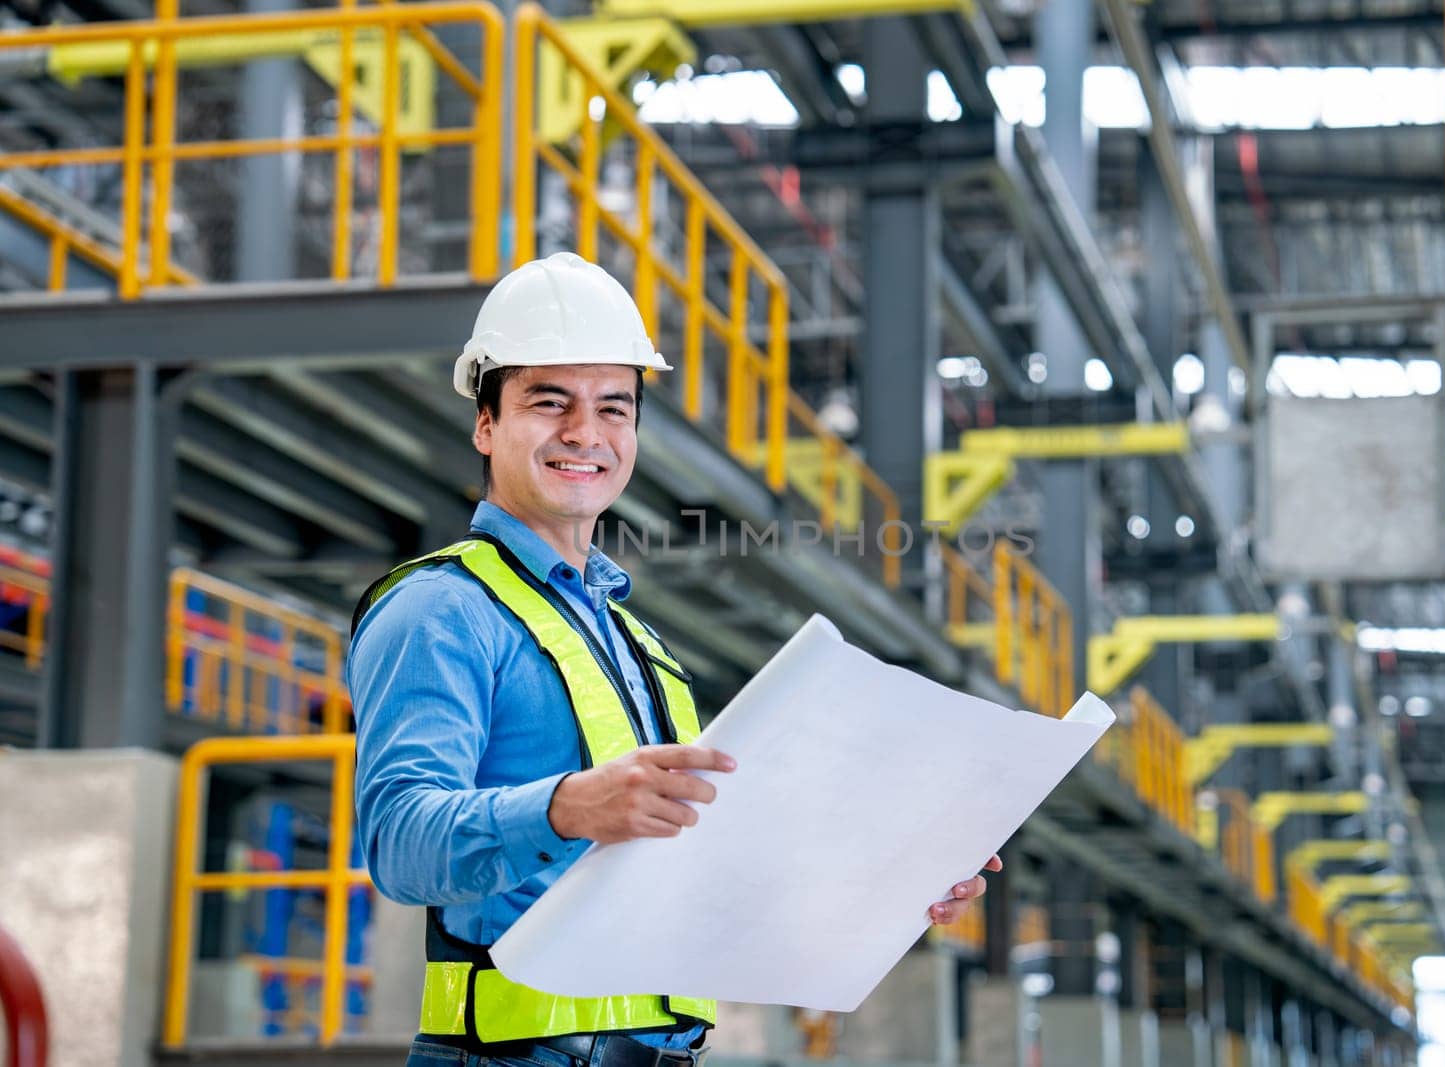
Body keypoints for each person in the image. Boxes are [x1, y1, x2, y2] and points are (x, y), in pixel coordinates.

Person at [348, 252, 1001, 1067]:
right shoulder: (440, 609)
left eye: (613, 408)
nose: (585, 432)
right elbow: (399, 841)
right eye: (549, 402)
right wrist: (565, 808)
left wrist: (895, 878)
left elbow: (710, 877)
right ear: (486, 423)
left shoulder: (640, 647)